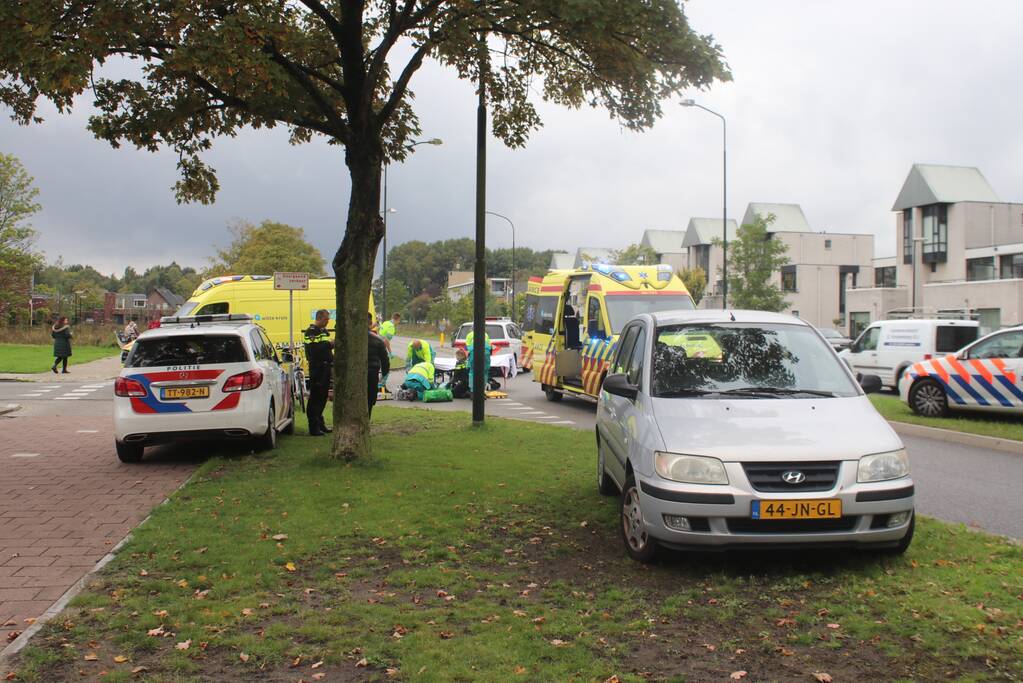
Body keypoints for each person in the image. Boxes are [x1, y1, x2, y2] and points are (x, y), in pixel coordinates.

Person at [303, 309, 333, 436]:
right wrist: (330, 345)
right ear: (319, 318)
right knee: (315, 398)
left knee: (322, 397)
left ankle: (320, 424)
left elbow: (326, 350)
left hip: (325, 368)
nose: (327, 321)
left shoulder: (323, 331)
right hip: (317, 369)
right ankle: (313, 427)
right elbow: (315, 349)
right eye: (326, 319)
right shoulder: (311, 331)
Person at [367, 312, 390, 417]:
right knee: (370, 399)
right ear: (370, 323)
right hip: (372, 372)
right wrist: (384, 375)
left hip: (354, 374)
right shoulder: (377, 340)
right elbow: (385, 360)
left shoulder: (349, 339)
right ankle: (366, 420)